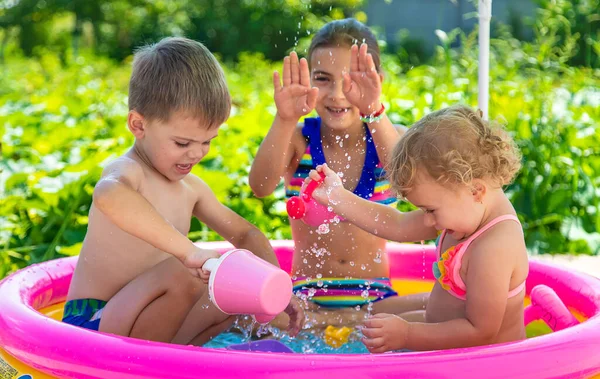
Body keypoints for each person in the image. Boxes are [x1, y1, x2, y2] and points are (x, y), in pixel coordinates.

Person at [62, 37, 303, 345]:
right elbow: (108, 195)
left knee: (231, 291)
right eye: (182, 143)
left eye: (207, 141)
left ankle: (179, 359)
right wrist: (188, 252)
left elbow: (246, 235)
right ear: (138, 124)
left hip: (148, 324)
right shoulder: (129, 172)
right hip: (93, 324)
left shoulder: (191, 188)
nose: (196, 154)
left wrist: (276, 291)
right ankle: (163, 361)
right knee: (182, 272)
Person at [308, 105, 528, 352]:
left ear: (475, 190)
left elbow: (481, 332)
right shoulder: (464, 209)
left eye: (430, 210)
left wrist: (407, 334)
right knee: (372, 321)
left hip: (488, 367)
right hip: (446, 346)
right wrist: (337, 197)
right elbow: (397, 224)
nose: (426, 222)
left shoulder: (494, 248)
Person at [249, 18, 405, 327]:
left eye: (351, 80)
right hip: (305, 300)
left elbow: (409, 180)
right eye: (323, 79)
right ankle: (342, 321)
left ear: (377, 81)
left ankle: (350, 319)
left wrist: (374, 110)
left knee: (436, 310)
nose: (337, 94)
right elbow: (260, 186)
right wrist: (283, 119)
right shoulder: (298, 140)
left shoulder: (390, 138)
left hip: (375, 300)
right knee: (257, 320)